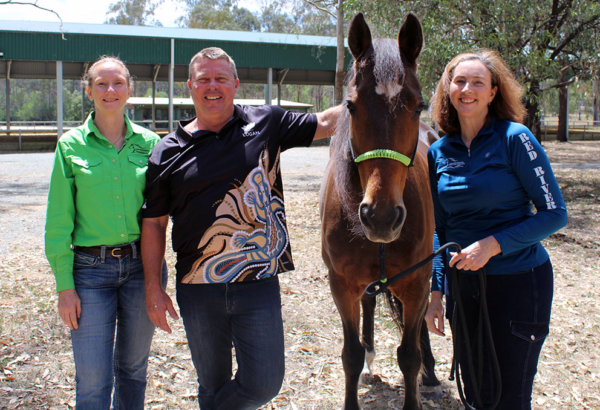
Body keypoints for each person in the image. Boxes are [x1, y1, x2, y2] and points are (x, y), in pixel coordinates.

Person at [141, 47, 340, 410]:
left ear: (235, 84)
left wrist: (372, 89)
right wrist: (153, 287)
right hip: (198, 289)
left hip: (257, 283)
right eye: (203, 79)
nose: (211, 86)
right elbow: (153, 223)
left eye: (220, 78)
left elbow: (327, 123)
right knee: (212, 383)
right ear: (190, 86)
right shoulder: (167, 151)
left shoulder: (267, 122)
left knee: (264, 382)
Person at [424, 50, 568, 410]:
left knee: (510, 396)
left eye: (478, 82)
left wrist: (493, 245)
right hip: (464, 287)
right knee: (475, 391)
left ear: (493, 92)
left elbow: (555, 213)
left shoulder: (514, 139)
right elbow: (440, 229)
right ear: (448, 89)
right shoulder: (439, 152)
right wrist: (436, 292)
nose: (467, 89)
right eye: (459, 81)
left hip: (519, 283)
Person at [45, 56, 167, 410]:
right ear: (88, 90)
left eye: (118, 83)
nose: (110, 90)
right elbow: (58, 223)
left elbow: (163, 213)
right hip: (89, 272)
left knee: (133, 369)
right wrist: (64, 287)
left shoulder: (150, 143)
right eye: (101, 83)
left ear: (130, 90)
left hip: (140, 268)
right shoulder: (70, 146)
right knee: (94, 379)